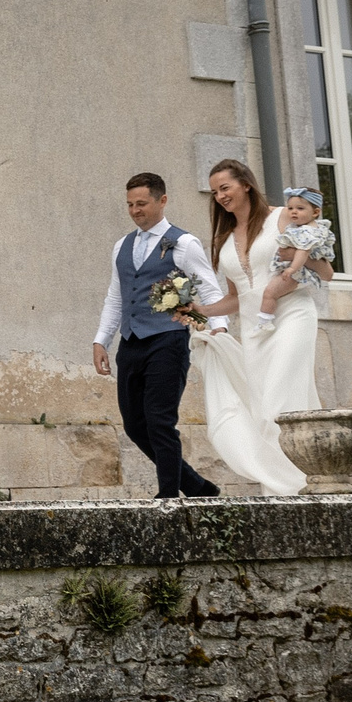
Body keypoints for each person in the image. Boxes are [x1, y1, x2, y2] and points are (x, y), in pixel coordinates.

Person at [190, 158, 325, 495]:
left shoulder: (283, 217)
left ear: (245, 184)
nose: (220, 196)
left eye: (225, 187)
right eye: (215, 192)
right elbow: (237, 297)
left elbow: (322, 270)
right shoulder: (223, 238)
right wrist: (200, 310)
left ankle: (295, 488)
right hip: (254, 330)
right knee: (263, 410)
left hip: (292, 316)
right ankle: (281, 490)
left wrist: (283, 283)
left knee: (280, 402)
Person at [92, 171, 223, 499]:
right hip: (131, 343)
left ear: (162, 201)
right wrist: (100, 340)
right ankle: (196, 487)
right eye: (130, 205)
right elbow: (115, 296)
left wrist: (219, 328)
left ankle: (167, 497)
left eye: (142, 203)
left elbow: (208, 287)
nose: (135, 210)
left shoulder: (183, 243)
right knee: (135, 426)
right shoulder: (121, 245)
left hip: (168, 340)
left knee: (159, 421)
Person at [252, 186, 336, 335]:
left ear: (315, 212)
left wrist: (292, 269)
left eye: (300, 208)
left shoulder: (307, 231)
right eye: (290, 208)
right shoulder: (303, 227)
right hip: (297, 271)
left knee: (270, 292)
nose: (293, 212)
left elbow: (303, 252)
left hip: (298, 272)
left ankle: (265, 321)